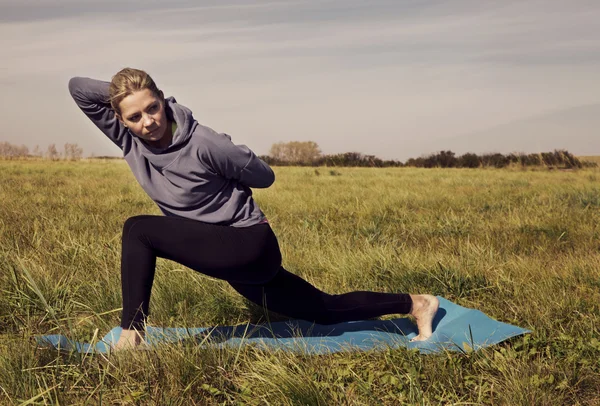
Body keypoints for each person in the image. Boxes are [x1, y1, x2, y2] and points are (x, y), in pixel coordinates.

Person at [68, 68, 439, 350]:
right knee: (325, 311)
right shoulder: (127, 137)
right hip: (226, 254)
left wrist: (235, 160)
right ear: (120, 120)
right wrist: (124, 91)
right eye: (134, 116)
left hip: (247, 243)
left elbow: (266, 177)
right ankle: (416, 303)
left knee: (138, 229)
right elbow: (78, 88)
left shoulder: (205, 143)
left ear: (163, 100)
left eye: (153, 107)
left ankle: (132, 334)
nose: (148, 121)